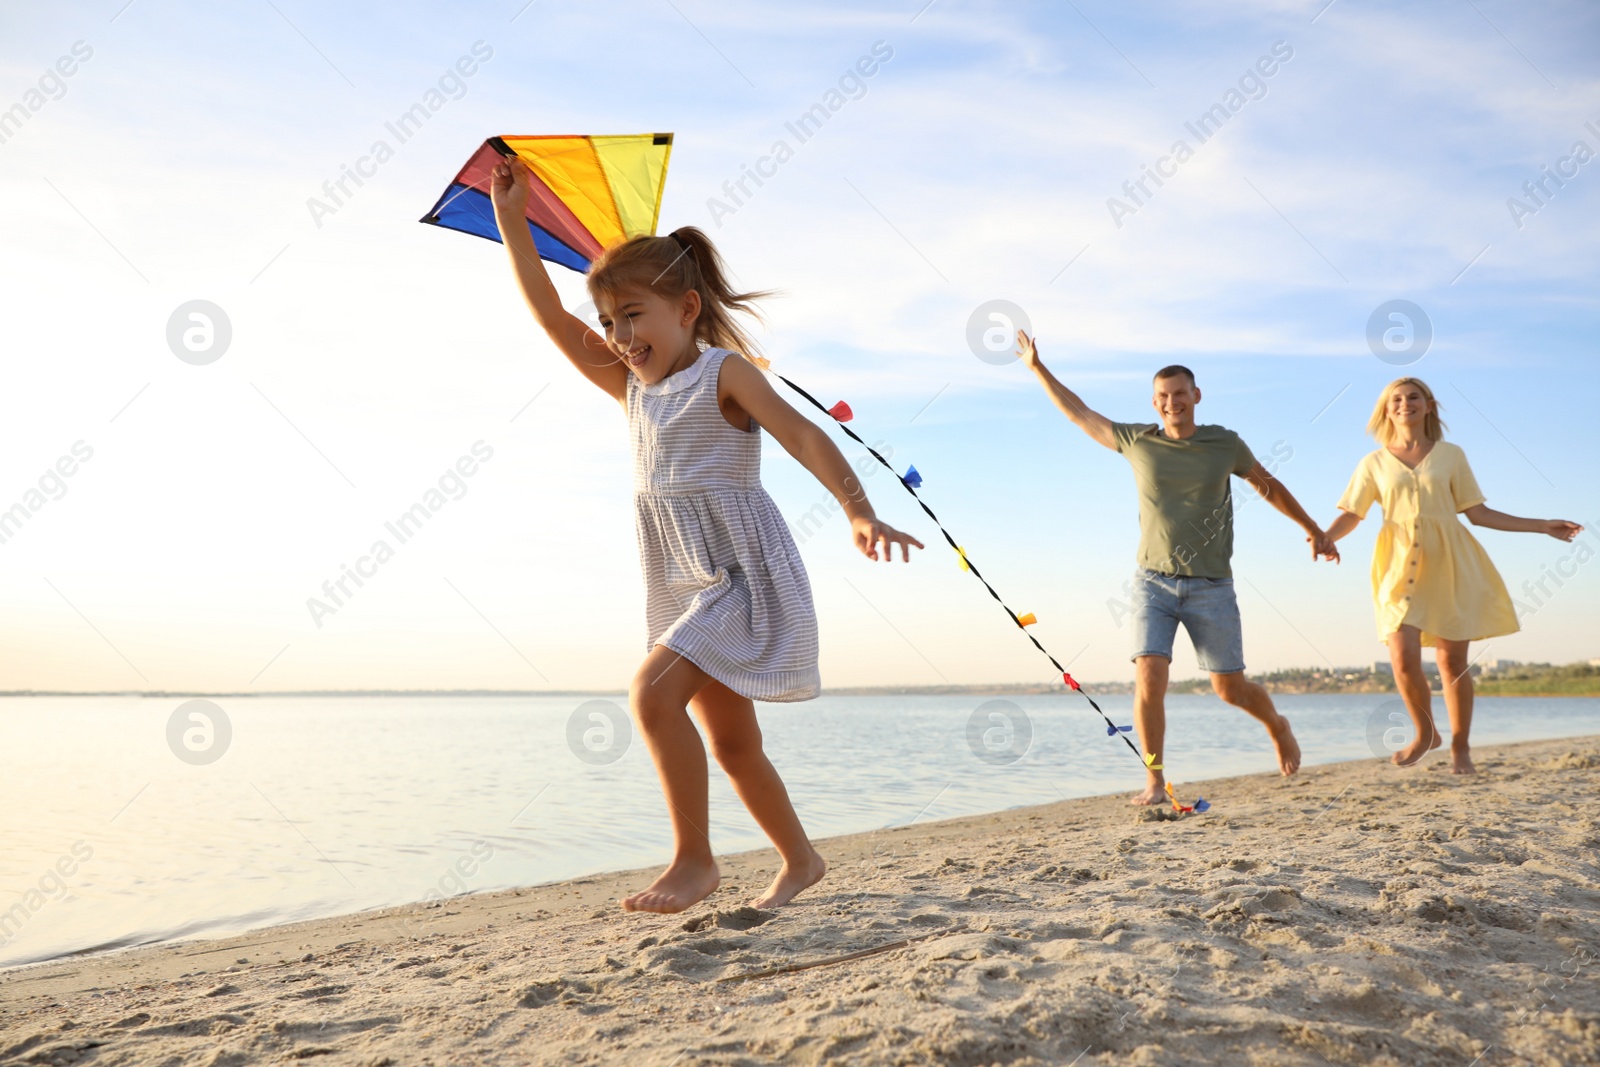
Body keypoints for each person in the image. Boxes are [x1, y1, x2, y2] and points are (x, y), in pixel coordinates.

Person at [488, 157, 922, 913]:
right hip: (685, 579)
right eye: (610, 321)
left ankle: (695, 859)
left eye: (634, 315)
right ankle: (801, 858)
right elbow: (551, 317)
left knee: (650, 696)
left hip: (738, 574)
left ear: (686, 308)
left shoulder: (723, 373)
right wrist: (512, 223)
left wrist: (857, 508)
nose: (620, 335)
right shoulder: (630, 387)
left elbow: (802, 434)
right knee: (730, 742)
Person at [1018, 332, 1336, 804]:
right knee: (1149, 674)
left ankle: (1277, 725)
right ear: (1154, 401)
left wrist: (1311, 527)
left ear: (1196, 397)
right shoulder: (1137, 440)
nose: (1172, 402)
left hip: (1212, 585)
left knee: (1229, 689)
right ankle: (1154, 779)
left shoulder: (1223, 443)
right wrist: (1037, 368)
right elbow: (1080, 413)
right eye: (1163, 396)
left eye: (1180, 394)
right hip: (1152, 582)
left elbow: (1269, 486)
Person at [1325, 377, 1582, 774]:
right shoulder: (1372, 463)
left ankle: (1460, 746)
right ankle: (1426, 733)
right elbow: (1352, 513)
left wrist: (1541, 525)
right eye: (1396, 399)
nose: (1404, 404)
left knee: (1451, 662)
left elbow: (1478, 513)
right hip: (1397, 568)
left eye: (1413, 397)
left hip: (1450, 564)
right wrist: (1326, 537)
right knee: (1402, 657)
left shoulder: (1450, 455)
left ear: (1428, 406)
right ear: (1386, 409)